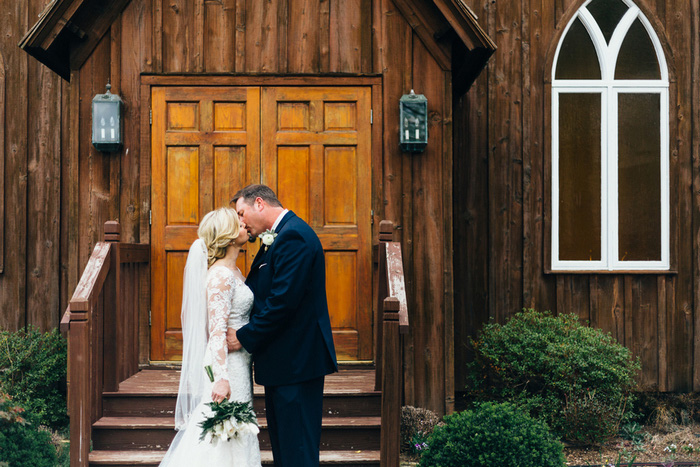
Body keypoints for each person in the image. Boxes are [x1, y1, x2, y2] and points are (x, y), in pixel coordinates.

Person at [228, 184, 338, 467]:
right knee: (286, 450)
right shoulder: (278, 237)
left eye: (242, 214)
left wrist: (243, 337)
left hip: (296, 364)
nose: (241, 222)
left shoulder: (294, 238)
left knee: (297, 451)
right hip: (284, 365)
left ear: (260, 204)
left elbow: (282, 303)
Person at [160, 207, 261, 467]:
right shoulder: (220, 277)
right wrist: (221, 379)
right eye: (237, 222)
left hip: (239, 362)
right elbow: (216, 332)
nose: (243, 223)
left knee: (235, 433)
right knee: (225, 435)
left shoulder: (235, 272)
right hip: (227, 367)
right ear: (227, 236)